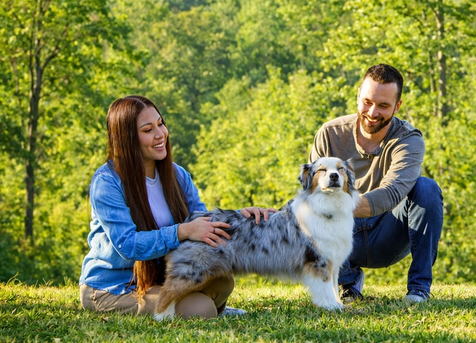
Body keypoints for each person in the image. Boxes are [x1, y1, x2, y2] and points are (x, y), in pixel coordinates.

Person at [79, 95, 274, 318]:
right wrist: (181, 231)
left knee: (221, 282)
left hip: (158, 278)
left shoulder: (176, 175)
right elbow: (127, 244)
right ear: (127, 138)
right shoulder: (107, 182)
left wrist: (240, 217)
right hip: (113, 288)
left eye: (160, 124)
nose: (160, 134)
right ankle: (201, 306)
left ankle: (196, 303)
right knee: (202, 310)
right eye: (147, 130)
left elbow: (200, 221)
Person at [308, 64, 443, 303]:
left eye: (383, 105)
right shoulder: (330, 133)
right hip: (343, 232)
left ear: (397, 106)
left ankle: (419, 289)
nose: (372, 112)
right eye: (367, 101)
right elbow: (312, 192)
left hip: (388, 232)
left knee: (427, 188)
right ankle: (348, 283)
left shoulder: (408, 140)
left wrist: (335, 202)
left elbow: (392, 193)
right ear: (358, 96)